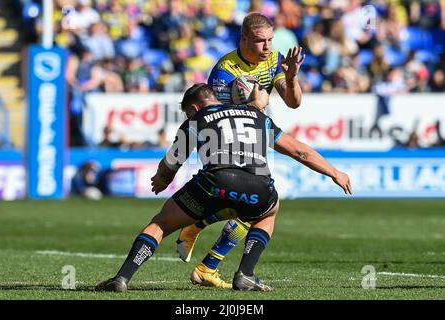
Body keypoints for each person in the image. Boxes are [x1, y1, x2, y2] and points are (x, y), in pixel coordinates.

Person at [95, 83, 351, 292]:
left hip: (214, 183)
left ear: (194, 108)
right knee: (269, 212)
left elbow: (172, 162)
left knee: (160, 224)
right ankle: (246, 274)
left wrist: (161, 179)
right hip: (258, 185)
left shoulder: (196, 120)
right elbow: (299, 151)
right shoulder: (257, 117)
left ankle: (122, 278)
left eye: (187, 113)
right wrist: (334, 172)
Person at [176, 12, 306, 288]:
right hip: (225, 144)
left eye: (270, 40)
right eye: (261, 41)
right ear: (244, 38)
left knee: (254, 207)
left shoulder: (273, 60)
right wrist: (256, 106)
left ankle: (204, 253)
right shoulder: (225, 71)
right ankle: (206, 254)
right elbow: (223, 118)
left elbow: (294, 102)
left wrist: (292, 77)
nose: (268, 47)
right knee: (258, 205)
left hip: (253, 138)